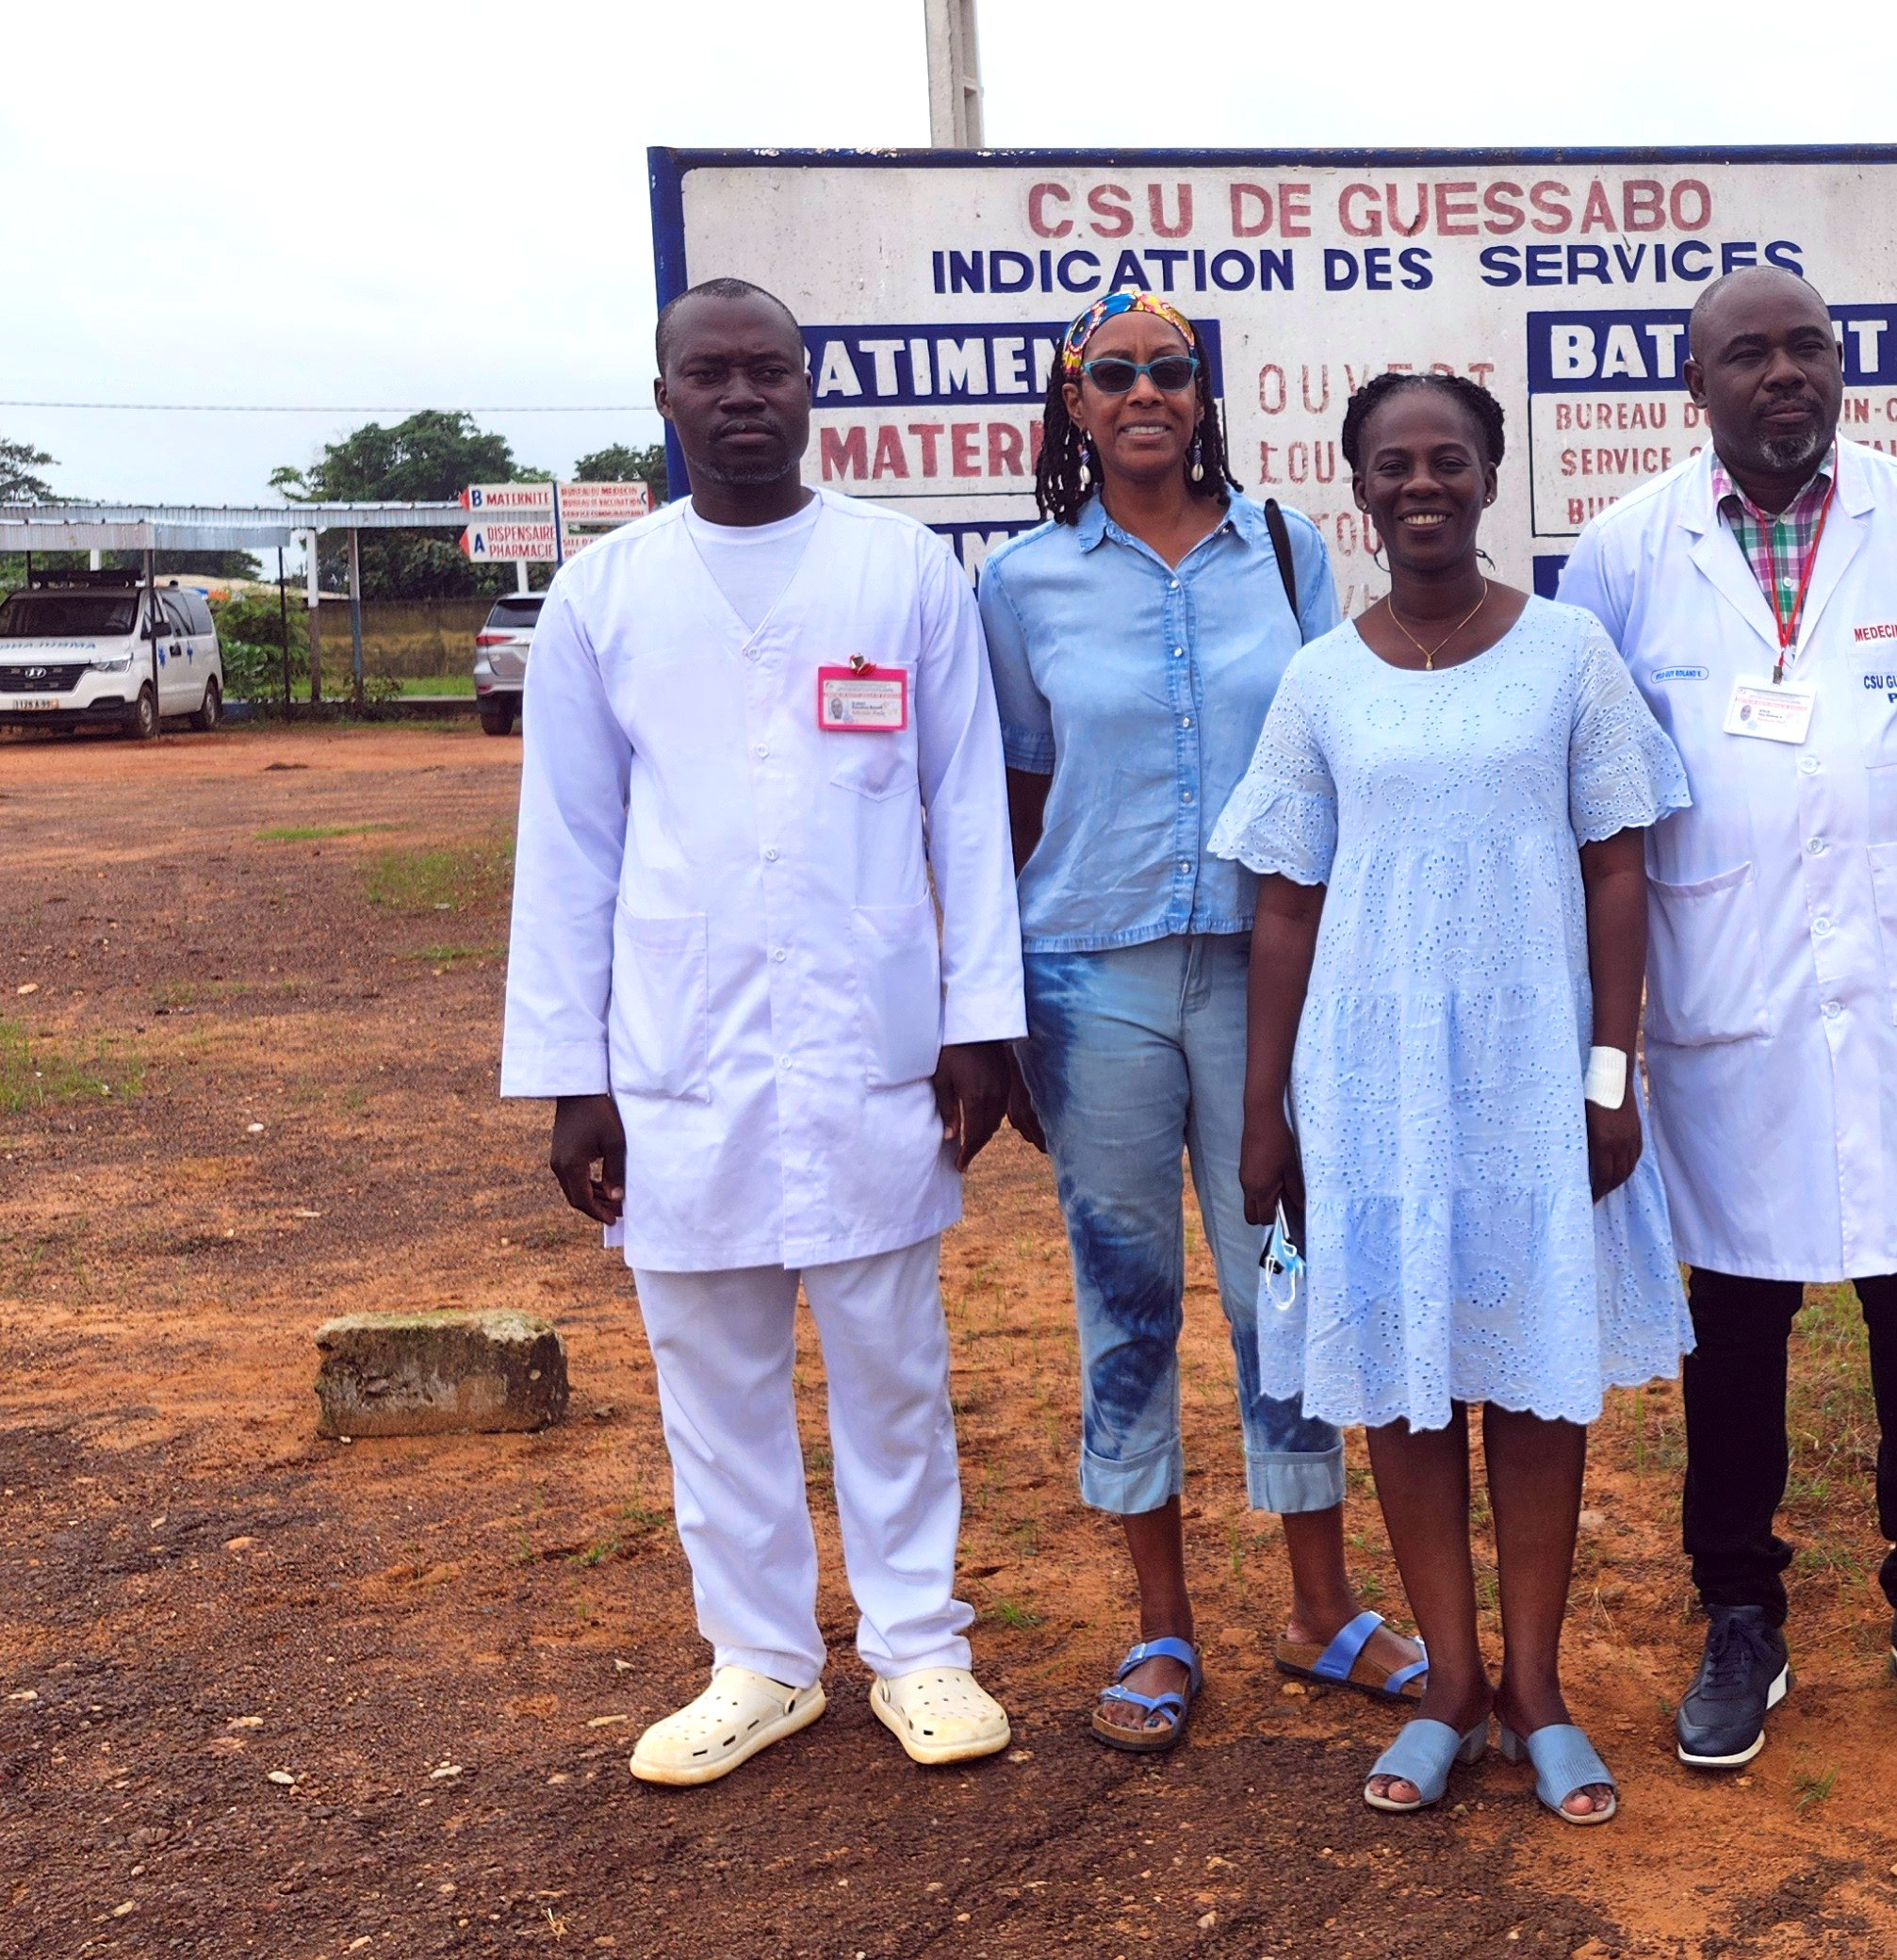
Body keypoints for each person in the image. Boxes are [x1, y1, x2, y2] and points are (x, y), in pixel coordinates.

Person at [500, 277, 1022, 1787]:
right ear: (661, 397)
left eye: (767, 370)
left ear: (811, 390)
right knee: (709, 1374)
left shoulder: (901, 571)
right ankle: (761, 1661)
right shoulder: (607, 593)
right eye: (708, 373)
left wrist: (977, 1022)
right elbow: (569, 843)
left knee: (893, 1364)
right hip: (680, 1054)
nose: (741, 396)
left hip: (873, 1043)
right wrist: (572, 1080)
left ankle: (920, 1647)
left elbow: (965, 811)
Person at [1558, 267, 1897, 1769]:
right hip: (1726, 992)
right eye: (1746, 354)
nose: (1783, 374)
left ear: (1843, 368)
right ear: (1692, 386)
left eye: (1808, 347)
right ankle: (1738, 1614)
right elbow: (1604, 783)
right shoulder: (1628, 551)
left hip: (1895, 989)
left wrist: (1858, 811)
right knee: (1736, 1317)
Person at [1212, 372, 1692, 1823]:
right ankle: (1448, 1689)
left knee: (1535, 1379)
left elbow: (1620, 868)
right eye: (1392, 467)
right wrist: (1262, 1108)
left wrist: (1612, 1071)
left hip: (1534, 1071)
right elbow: (1284, 908)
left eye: (1449, 462)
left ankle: (1536, 1688)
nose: (1422, 486)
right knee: (1409, 1385)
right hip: (1367, 1082)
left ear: (1491, 477)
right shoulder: (1322, 680)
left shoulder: (1569, 654)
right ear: (1357, 489)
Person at [977, 289, 1423, 1755]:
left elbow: (1324, 757)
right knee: (1128, 1302)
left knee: (1284, 1282)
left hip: (1257, 977)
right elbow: (1015, 796)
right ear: (1075, 404)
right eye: (1114, 375)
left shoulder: (1281, 551)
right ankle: (1158, 1628)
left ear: (1200, 394)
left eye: (1172, 370)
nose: (1146, 392)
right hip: (1088, 977)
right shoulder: (1021, 583)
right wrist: (995, 1011)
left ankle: (1320, 1611)